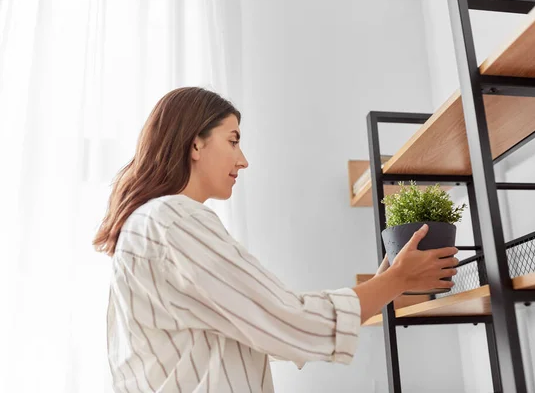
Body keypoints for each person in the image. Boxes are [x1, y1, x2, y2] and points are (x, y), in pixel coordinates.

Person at [93, 87, 459, 393]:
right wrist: (396, 281)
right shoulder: (174, 220)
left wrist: (388, 282)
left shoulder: (148, 224)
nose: (243, 160)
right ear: (195, 145)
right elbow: (288, 320)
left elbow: (267, 325)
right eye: (233, 141)